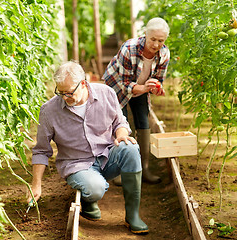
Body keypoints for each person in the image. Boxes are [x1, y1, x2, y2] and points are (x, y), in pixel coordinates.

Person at [27, 61, 149, 234]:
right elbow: (41, 150)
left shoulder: (106, 93)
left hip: (107, 155)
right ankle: (88, 198)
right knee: (94, 188)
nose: (64, 97)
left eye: (69, 92)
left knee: (130, 148)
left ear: (83, 83)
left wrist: (121, 135)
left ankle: (133, 215)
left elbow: (119, 122)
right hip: (77, 164)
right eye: (60, 92)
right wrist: (36, 185)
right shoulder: (49, 111)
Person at [103, 17, 170, 184]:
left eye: (160, 41)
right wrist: (145, 87)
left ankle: (143, 169)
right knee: (120, 125)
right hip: (117, 87)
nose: (156, 44)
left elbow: (158, 79)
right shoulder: (129, 48)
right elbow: (125, 84)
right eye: (153, 39)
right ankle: (119, 171)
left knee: (143, 124)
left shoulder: (164, 54)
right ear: (145, 35)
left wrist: (156, 87)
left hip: (140, 88)